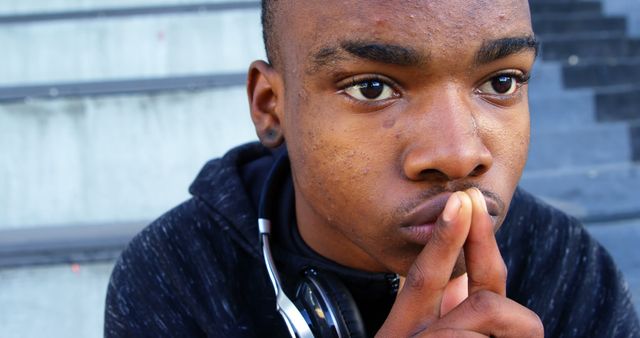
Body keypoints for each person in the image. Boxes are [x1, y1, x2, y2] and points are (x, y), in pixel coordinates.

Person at [104, 0, 640, 337]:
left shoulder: (565, 264)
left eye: (501, 82)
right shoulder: (178, 274)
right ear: (271, 106)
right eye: (372, 88)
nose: (459, 155)